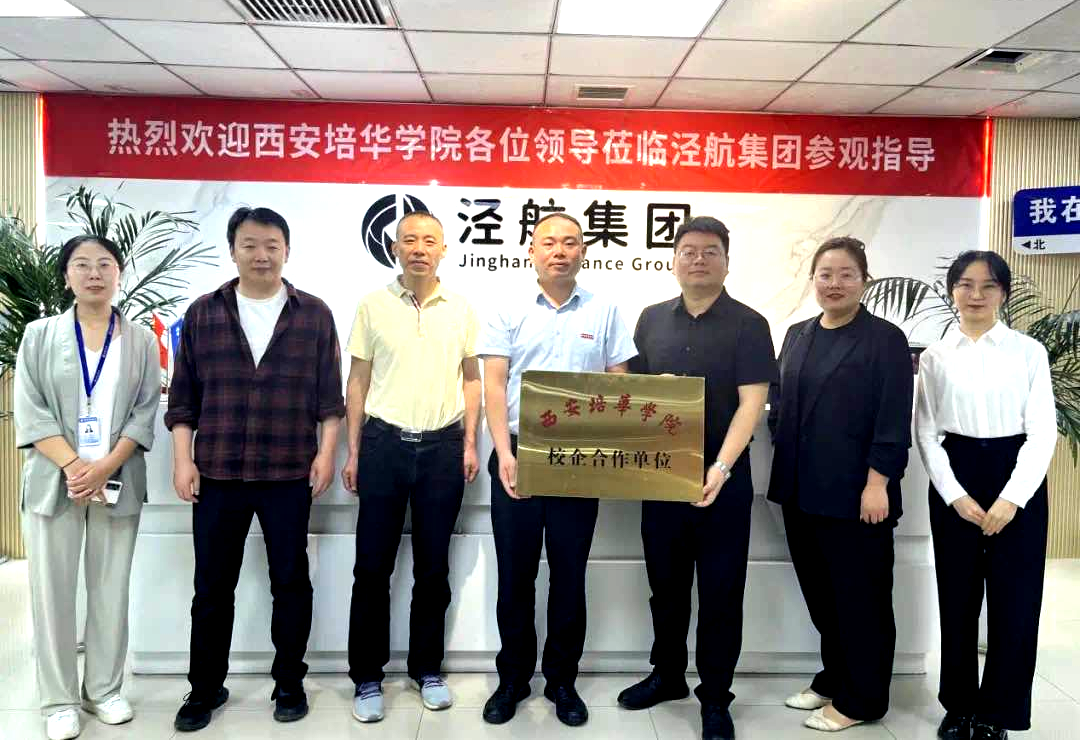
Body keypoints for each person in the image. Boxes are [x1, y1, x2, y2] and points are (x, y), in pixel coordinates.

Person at [166, 207, 345, 732]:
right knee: (211, 588)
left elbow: (329, 399)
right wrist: (183, 459)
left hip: (288, 471)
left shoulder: (314, 314)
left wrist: (326, 453)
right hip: (218, 472)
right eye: (249, 245)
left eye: (271, 245)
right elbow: (183, 399)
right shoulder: (203, 313)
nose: (261, 255)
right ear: (233, 250)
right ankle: (204, 688)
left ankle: (289, 682)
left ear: (286, 251)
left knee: (290, 582)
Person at [618, 217, 776, 741]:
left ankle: (715, 698)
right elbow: (632, 396)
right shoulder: (650, 320)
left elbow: (752, 404)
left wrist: (721, 467)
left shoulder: (749, 324)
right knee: (665, 587)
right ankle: (667, 676)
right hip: (660, 478)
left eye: (710, 251)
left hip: (722, 481)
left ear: (727, 262)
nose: (699, 260)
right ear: (674, 261)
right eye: (688, 251)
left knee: (721, 592)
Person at [477, 212, 637, 727]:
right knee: (515, 575)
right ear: (531, 250)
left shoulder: (605, 310)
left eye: (570, 242)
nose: (560, 251)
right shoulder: (508, 307)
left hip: (579, 458)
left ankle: (562, 681)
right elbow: (495, 384)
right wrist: (504, 452)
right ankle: (513, 679)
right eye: (549, 243)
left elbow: (618, 385)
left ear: (583, 251)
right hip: (518, 453)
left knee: (569, 575)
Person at [14, 235, 161, 741]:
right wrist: (76, 465)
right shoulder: (39, 335)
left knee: (109, 587)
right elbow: (31, 409)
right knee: (52, 591)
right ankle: (58, 701)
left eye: (104, 264)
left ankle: (103, 690)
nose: (94, 273)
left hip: (117, 478)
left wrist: (104, 467)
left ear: (119, 273)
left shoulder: (140, 340)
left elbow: (144, 412)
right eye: (82, 264)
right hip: (55, 479)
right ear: (66, 275)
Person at [767, 237, 913, 733]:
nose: (834, 283)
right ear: (813, 280)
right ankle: (834, 677)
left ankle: (863, 699)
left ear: (864, 281)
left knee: (862, 600)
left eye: (846, 274)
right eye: (825, 274)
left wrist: (878, 482)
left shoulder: (884, 340)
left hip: (857, 495)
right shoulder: (798, 334)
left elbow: (893, 418)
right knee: (823, 597)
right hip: (800, 491)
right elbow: (780, 399)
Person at [342, 211, 481, 722]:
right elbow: (357, 381)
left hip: (443, 447)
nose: (419, 248)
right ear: (394, 248)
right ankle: (367, 677)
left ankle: (427, 669)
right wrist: (354, 450)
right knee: (371, 567)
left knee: (433, 566)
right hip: (383, 445)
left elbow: (472, 379)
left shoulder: (461, 307)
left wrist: (470, 442)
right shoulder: (372, 305)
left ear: (444, 249)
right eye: (409, 240)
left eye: (429, 240)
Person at [915, 251, 1056, 742]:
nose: (976, 295)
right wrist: (954, 495)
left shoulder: (1028, 352)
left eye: (988, 286)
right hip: (956, 474)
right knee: (957, 598)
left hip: (1017, 476)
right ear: (952, 290)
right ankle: (958, 706)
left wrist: (1012, 498)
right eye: (966, 284)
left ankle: (998, 711)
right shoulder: (934, 357)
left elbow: (1042, 432)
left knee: (1015, 601)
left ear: (1004, 293)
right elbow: (926, 432)